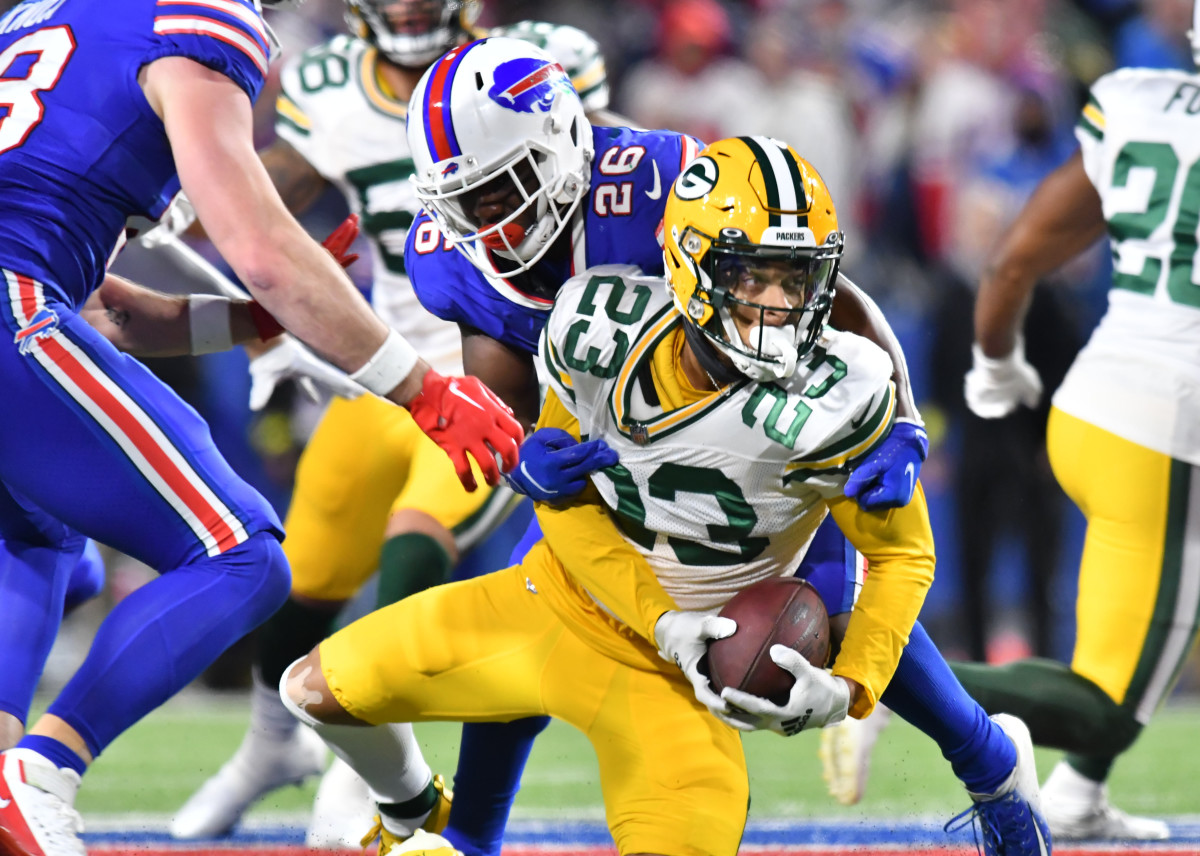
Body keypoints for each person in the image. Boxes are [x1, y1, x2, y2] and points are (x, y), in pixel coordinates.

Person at [279, 135, 1053, 856]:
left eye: (797, 277)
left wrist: (851, 688)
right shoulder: (591, 322)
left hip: (694, 642)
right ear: (688, 264)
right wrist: (528, 465)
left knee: (834, 600)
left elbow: (905, 553)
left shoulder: (838, 389)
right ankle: (441, 826)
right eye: (752, 276)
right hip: (573, 598)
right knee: (311, 688)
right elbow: (553, 484)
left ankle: (989, 763)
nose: (779, 305)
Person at [0, 0, 522, 854]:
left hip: (28, 296)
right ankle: (42, 771)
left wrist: (250, 325)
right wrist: (422, 389)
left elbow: (109, 310)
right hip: (12, 300)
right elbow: (265, 249)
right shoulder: (196, 27)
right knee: (240, 553)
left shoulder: (46, 21)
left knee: (38, 537)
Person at [398, 37, 931, 856]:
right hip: (624, 456)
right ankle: (469, 837)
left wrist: (903, 417)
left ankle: (987, 760)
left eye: (500, 189)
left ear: (556, 146)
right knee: (535, 616)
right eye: (465, 203)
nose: (489, 224)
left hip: (752, 431)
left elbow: (828, 295)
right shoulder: (456, 263)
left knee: (827, 618)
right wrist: (527, 461)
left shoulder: (658, 184)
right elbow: (517, 416)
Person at [170, 3, 617, 846]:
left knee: (416, 544)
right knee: (298, 580)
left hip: (489, 373)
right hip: (380, 373)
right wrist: (162, 221)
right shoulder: (330, 91)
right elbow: (260, 195)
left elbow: (616, 156)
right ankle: (272, 745)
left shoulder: (520, 70)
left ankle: (367, 769)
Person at [942, 17, 1200, 841]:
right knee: (1104, 707)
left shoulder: (1140, 104)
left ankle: (1078, 797)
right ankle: (896, 684)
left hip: (1096, 401)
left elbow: (1015, 258)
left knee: (1151, 633)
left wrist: (995, 364)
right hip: (1165, 427)